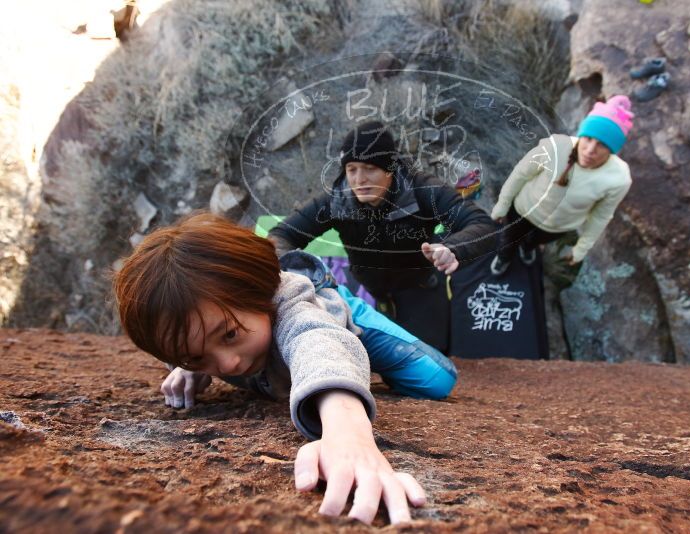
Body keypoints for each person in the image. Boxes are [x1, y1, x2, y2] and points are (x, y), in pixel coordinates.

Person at [112, 212, 459, 525]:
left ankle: (350, 324)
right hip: (300, 336)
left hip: (332, 318)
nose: (229, 363)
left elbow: (315, 340)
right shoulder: (195, 333)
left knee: (434, 380)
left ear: (262, 297)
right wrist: (190, 366)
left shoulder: (294, 312)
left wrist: (347, 431)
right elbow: (186, 340)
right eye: (197, 355)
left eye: (230, 334)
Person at [268, 121, 495, 347]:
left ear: (389, 169)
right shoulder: (335, 201)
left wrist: (453, 248)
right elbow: (281, 235)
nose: (359, 180)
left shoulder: (423, 190)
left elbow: (482, 224)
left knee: (429, 372)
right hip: (369, 296)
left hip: (421, 288)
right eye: (352, 169)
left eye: (370, 168)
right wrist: (298, 270)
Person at [489, 95, 634, 276]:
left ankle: (527, 249)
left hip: (556, 227)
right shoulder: (555, 147)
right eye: (588, 138)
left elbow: (601, 216)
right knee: (508, 239)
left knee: (532, 242)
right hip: (522, 211)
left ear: (613, 150)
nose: (590, 150)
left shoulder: (618, 179)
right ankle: (504, 258)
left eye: (602, 145)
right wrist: (503, 204)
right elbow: (521, 174)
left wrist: (581, 249)